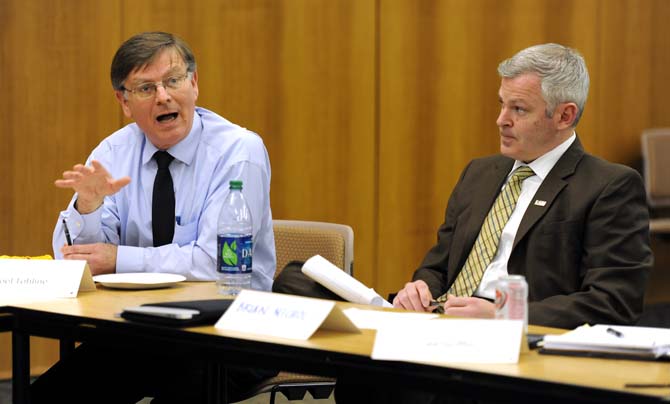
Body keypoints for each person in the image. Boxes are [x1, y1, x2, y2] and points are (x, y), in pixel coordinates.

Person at [273, 43, 652, 403]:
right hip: (438, 327)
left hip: (506, 351)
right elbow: (440, 265)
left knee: (392, 379)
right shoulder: (481, 173)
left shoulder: (608, 186)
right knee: (296, 282)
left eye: (518, 109)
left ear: (564, 115)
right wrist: (420, 287)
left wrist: (503, 315)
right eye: (502, 105)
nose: (501, 120)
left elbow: (613, 302)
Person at [32, 32, 277, 404]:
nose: (164, 96)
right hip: (143, 327)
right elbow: (76, 261)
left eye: (173, 81)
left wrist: (119, 259)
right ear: (124, 102)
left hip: (235, 331)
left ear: (194, 84)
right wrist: (89, 206)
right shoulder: (114, 151)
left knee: (182, 388)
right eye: (146, 88)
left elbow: (218, 264)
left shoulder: (238, 152)